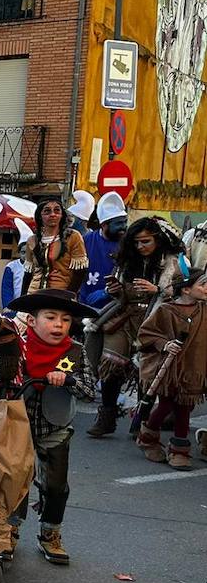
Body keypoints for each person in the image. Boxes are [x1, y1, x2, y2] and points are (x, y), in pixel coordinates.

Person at [0, 289, 97, 565]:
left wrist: (67, 380)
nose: (59, 324)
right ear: (32, 321)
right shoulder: (14, 344)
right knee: (14, 479)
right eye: (51, 317)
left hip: (54, 427)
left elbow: (90, 390)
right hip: (16, 426)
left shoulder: (75, 352)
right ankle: (9, 529)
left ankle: (50, 534)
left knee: (56, 486)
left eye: (66, 319)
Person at [86, 217, 182, 439]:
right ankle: (106, 417)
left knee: (145, 371)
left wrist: (156, 289)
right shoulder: (127, 262)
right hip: (124, 318)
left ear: (158, 240)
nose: (140, 247)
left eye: (146, 241)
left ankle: (141, 420)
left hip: (155, 322)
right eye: (137, 242)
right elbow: (120, 295)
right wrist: (116, 288)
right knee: (110, 363)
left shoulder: (171, 263)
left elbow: (178, 294)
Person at [135, 265, 207, 471]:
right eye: (202, 285)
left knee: (184, 406)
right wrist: (164, 344)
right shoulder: (166, 310)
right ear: (185, 289)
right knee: (167, 404)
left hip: (194, 369)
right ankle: (153, 438)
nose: (206, 288)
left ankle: (172, 446)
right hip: (168, 370)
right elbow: (145, 334)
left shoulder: (204, 310)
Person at [21, 195, 89, 294]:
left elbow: (80, 272)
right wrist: (22, 299)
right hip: (33, 294)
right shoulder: (32, 240)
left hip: (60, 294)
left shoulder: (73, 237)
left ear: (62, 215)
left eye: (57, 211)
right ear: (40, 216)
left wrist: (68, 296)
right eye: (47, 211)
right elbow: (28, 274)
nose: (53, 214)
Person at [1, 218, 33, 314]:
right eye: (23, 252)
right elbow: (7, 288)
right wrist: (8, 305)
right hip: (14, 307)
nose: (26, 255)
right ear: (19, 253)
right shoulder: (11, 267)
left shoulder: (38, 266)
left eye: (29, 252)